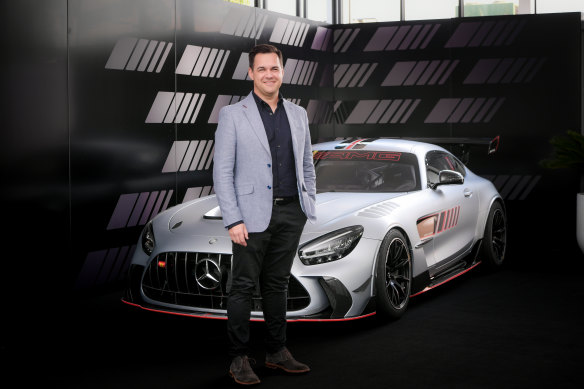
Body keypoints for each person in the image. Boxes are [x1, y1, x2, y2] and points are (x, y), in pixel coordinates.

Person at [213, 43, 317, 385]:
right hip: (249, 217)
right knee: (242, 287)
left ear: (282, 71)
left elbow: (306, 165)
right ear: (251, 73)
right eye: (262, 69)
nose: (269, 74)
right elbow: (222, 172)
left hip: (291, 214)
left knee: (277, 285)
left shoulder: (299, 114)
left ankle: (276, 352)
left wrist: (308, 205)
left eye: (274, 68)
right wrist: (233, 219)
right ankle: (238, 359)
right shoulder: (233, 115)